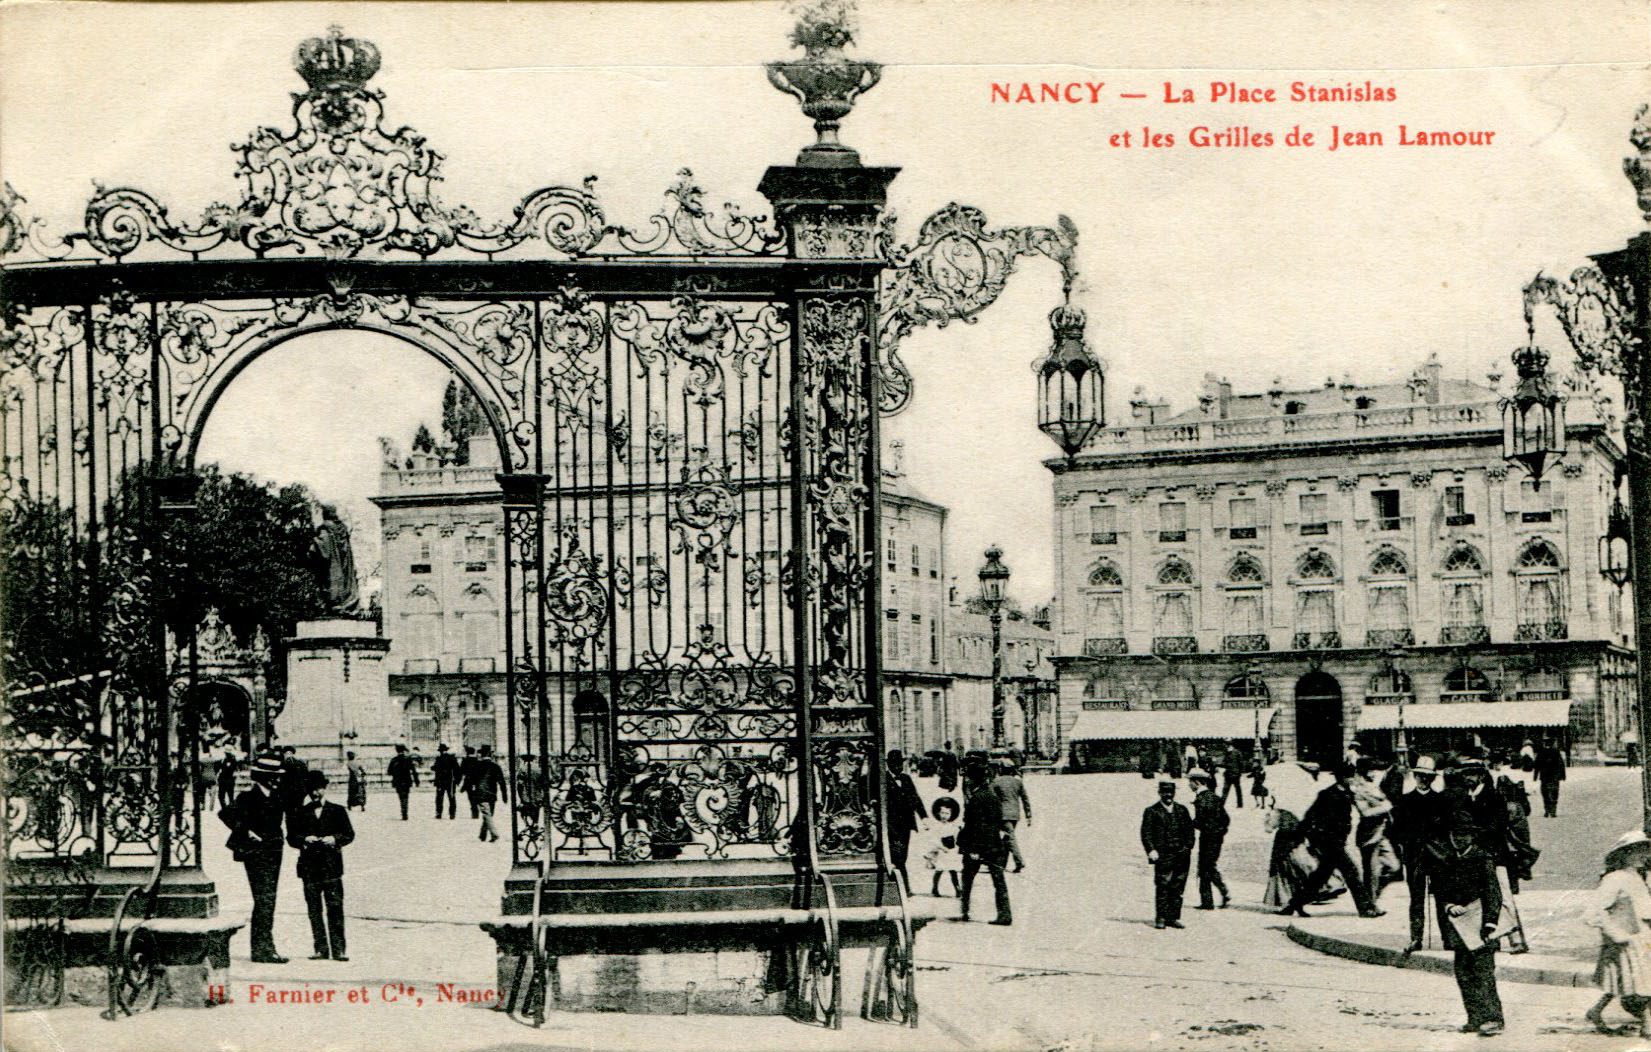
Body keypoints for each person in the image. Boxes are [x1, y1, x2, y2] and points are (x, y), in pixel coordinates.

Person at [1427, 786, 1506, 1036]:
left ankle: (1493, 1018)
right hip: (1458, 927)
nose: (1459, 839)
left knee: (1483, 973)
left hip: (1481, 925)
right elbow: (1439, 890)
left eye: (1464, 835)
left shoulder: (1483, 859)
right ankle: (1474, 1017)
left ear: (1472, 836)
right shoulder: (1446, 860)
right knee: (1463, 973)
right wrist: (1449, 905)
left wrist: (1491, 922)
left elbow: (1493, 893)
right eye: (1455, 834)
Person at [1277, 763, 1383, 918]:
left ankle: (1294, 904)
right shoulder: (1327, 794)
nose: (1353, 779)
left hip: (1337, 842)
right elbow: (1310, 816)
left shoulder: (1347, 793)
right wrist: (1302, 836)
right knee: (1352, 873)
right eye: (1350, 777)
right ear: (1342, 778)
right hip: (1329, 842)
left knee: (1319, 877)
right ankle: (1366, 909)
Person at [219, 755, 289, 963]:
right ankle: (262, 949)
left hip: (275, 853)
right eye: (273, 776)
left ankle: (264, 947)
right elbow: (226, 815)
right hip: (256, 855)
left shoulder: (276, 796)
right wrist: (247, 832)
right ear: (263, 777)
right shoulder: (247, 797)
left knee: (269, 900)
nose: (277, 780)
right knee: (264, 900)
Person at [1584, 830, 1651, 1037]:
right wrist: (1615, 933)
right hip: (1628, 941)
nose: (1642, 855)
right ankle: (1648, 1025)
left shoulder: (1638, 878)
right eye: (1636, 851)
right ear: (1623, 855)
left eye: (1644, 850)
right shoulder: (1614, 879)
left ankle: (1596, 1011)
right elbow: (1593, 912)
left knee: (1624, 982)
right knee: (1643, 983)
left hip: (1643, 936)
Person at [286, 769, 355, 961]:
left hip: (332, 866)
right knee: (314, 908)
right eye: (312, 790)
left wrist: (334, 839)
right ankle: (320, 948)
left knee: (335, 906)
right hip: (309, 867)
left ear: (325, 788)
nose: (315, 793)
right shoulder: (300, 812)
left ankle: (339, 949)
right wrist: (304, 839)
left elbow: (349, 834)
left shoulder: (338, 810)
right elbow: (291, 837)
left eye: (318, 789)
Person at [1392, 755, 1446, 951]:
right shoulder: (1404, 801)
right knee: (1416, 899)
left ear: (1433, 779)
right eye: (1420, 776)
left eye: (1428, 777)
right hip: (1413, 857)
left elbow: (1446, 830)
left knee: (1442, 897)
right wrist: (1406, 845)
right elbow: (1395, 831)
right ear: (1415, 777)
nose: (1424, 779)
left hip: (1437, 857)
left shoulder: (1440, 800)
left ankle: (1448, 937)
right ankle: (1416, 938)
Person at [957, 764, 1012, 925]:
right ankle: (1005, 914)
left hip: (980, 846)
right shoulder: (990, 794)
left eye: (968, 778)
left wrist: (974, 850)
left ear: (973, 779)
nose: (966, 781)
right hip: (993, 845)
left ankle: (965, 911)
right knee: (998, 880)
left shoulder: (979, 797)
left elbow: (979, 826)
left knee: (967, 877)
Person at [1140, 779, 1195, 929]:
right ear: (1159, 793)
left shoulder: (1182, 810)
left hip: (1182, 855)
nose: (1168, 795)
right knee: (1163, 885)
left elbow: (1190, 830)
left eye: (1171, 792)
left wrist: (1188, 847)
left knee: (1178, 886)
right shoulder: (1151, 811)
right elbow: (1146, 833)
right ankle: (1161, 917)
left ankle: (1173, 917)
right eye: (1165, 792)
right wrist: (1151, 850)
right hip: (1163, 855)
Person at [1352, 757, 1399, 902]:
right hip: (1369, 834)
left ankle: (1372, 895)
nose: (1374, 773)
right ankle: (1370, 904)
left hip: (1382, 831)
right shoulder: (1357, 789)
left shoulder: (1373, 785)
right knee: (1372, 872)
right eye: (1370, 770)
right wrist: (1385, 807)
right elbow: (1365, 812)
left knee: (1394, 867)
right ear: (1362, 771)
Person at [884, 750, 928, 888]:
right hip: (891, 825)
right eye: (895, 764)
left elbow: (915, 798)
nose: (898, 767)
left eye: (900, 764)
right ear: (889, 765)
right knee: (896, 855)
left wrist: (924, 816)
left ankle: (902, 885)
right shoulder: (882, 780)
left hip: (906, 824)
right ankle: (903, 886)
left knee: (903, 855)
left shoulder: (906, 778)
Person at [1190, 771, 1230, 910]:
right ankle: (1220, 894)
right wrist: (1220, 832)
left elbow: (1200, 821)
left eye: (1190, 782)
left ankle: (1209, 901)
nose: (1189, 785)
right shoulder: (1214, 797)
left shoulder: (1201, 799)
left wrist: (1189, 823)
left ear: (1197, 782)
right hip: (1217, 838)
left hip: (1207, 838)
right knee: (1209, 866)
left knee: (1204, 868)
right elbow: (1226, 818)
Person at [991, 756, 1032, 873]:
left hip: (1002, 815)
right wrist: (1028, 816)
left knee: (1009, 838)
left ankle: (1019, 861)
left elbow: (992, 799)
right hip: (1015, 815)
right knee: (1007, 838)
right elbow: (1025, 800)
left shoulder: (996, 781)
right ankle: (1001, 864)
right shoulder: (1017, 782)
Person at [924, 795, 964, 898]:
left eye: (947, 813)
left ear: (951, 814)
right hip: (941, 851)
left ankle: (957, 889)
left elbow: (956, 838)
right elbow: (934, 839)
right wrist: (941, 847)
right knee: (939, 870)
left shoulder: (953, 826)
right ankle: (935, 888)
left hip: (950, 851)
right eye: (942, 813)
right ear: (938, 813)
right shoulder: (937, 826)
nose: (944, 816)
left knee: (952, 870)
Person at [471, 744, 507, 842]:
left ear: (481, 755)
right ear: (490, 754)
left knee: (487, 814)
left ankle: (488, 834)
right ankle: (487, 834)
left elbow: (471, 780)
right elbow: (502, 782)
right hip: (492, 794)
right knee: (488, 814)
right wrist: (504, 795)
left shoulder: (476, 766)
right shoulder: (495, 766)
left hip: (480, 793)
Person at [1535, 738, 1567, 817]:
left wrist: (1535, 776)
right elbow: (1561, 764)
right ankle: (1553, 811)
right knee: (1554, 793)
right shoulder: (1556, 751)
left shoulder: (1541, 752)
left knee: (1545, 793)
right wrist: (1563, 775)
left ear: (1544, 744)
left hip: (1544, 776)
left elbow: (1537, 765)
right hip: (1554, 776)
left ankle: (1547, 810)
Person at [387, 744, 418, 821]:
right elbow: (414, 771)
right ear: (404, 750)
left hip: (398, 781)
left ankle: (403, 812)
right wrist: (417, 780)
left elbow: (389, 772)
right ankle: (405, 812)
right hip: (407, 781)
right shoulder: (408, 759)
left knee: (401, 797)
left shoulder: (394, 760)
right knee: (406, 797)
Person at [432, 743, 459, 820]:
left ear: (440, 751)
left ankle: (439, 813)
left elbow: (435, 767)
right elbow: (457, 769)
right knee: (452, 798)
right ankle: (452, 814)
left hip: (441, 781)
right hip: (450, 781)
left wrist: (433, 767)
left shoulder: (439, 758)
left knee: (439, 798)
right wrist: (457, 780)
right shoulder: (452, 758)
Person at [458, 745, 481, 819]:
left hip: (468, 782)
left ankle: (474, 812)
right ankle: (476, 811)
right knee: (476, 796)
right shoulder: (477, 760)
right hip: (477, 782)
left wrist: (458, 782)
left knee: (471, 797)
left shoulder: (465, 760)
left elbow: (461, 772)